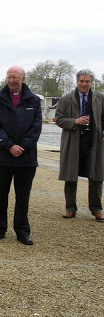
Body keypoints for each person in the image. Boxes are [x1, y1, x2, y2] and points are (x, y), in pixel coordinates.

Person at [0, 66, 42, 245]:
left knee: (23, 196)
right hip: (2, 156)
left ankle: (22, 231)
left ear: (23, 79)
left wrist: (22, 146)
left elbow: (36, 127)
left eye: (15, 77)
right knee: (0, 195)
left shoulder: (34, 100)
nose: (12, 80)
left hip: (26, 157)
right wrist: (9, 145)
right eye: (9, 77)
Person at [55, 69, 104, 221]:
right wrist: (75, 121)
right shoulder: (66, 99)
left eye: (87, 81)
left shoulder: (100, 98)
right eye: (81, 81)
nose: (84, 84)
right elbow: (59, 119)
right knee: (70, 176)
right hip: (73, 143)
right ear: (77, 82)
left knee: (96, 176)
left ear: (91, 82)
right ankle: (70, 208)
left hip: (93, 143)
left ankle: (96, 209)